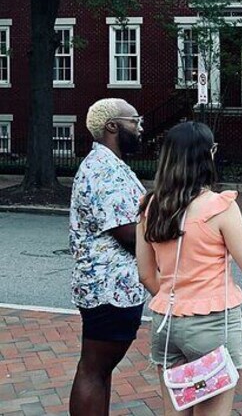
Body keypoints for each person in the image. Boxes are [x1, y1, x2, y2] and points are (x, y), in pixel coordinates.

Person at [136, 121, 242, 415]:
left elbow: (145, 272)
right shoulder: (220, 206)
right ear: (207, 155)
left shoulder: (150, 206)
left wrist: (175, 298)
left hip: (167, 324)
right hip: (213, 324)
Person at [69, 98, 147, 416]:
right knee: (94, 369)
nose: (140, 126)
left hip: (113, 289)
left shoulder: (109, 164)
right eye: (135, 120)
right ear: (112, 126)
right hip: (108, 291)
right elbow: (129, 233)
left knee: (100, 371)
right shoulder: (103, 169)